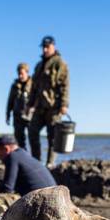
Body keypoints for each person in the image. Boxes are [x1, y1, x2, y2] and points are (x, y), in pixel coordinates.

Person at [26, 35, 69, 169]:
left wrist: (64, 104)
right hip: (39, 106)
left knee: (53, 137)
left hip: (53, 107)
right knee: (32, 131)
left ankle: (50, 163)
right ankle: (36, 161)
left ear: (53, 46)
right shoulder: (39, 65)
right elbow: (34, 87)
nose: (45, 50)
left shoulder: (59, 63)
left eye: (47, 47)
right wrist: (29, 104)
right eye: (43, 47)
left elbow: (64, 85)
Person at [0, 134, 56, 215]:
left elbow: (7, 188)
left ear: (6, 149)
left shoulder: (12, 157)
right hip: (53, 199)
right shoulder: (23, 155)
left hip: (42, 203)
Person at [5, 62, 32, 149]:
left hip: (30, 116)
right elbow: (10, 101)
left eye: (22, 74)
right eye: (19, 74)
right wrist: (8, 115)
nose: (20, 76)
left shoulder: (34, 84)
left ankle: (35, 160)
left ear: (27, 73)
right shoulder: (14, 86)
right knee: (19, 140)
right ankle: (22, 158)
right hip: (17, 116)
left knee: (33, 139)